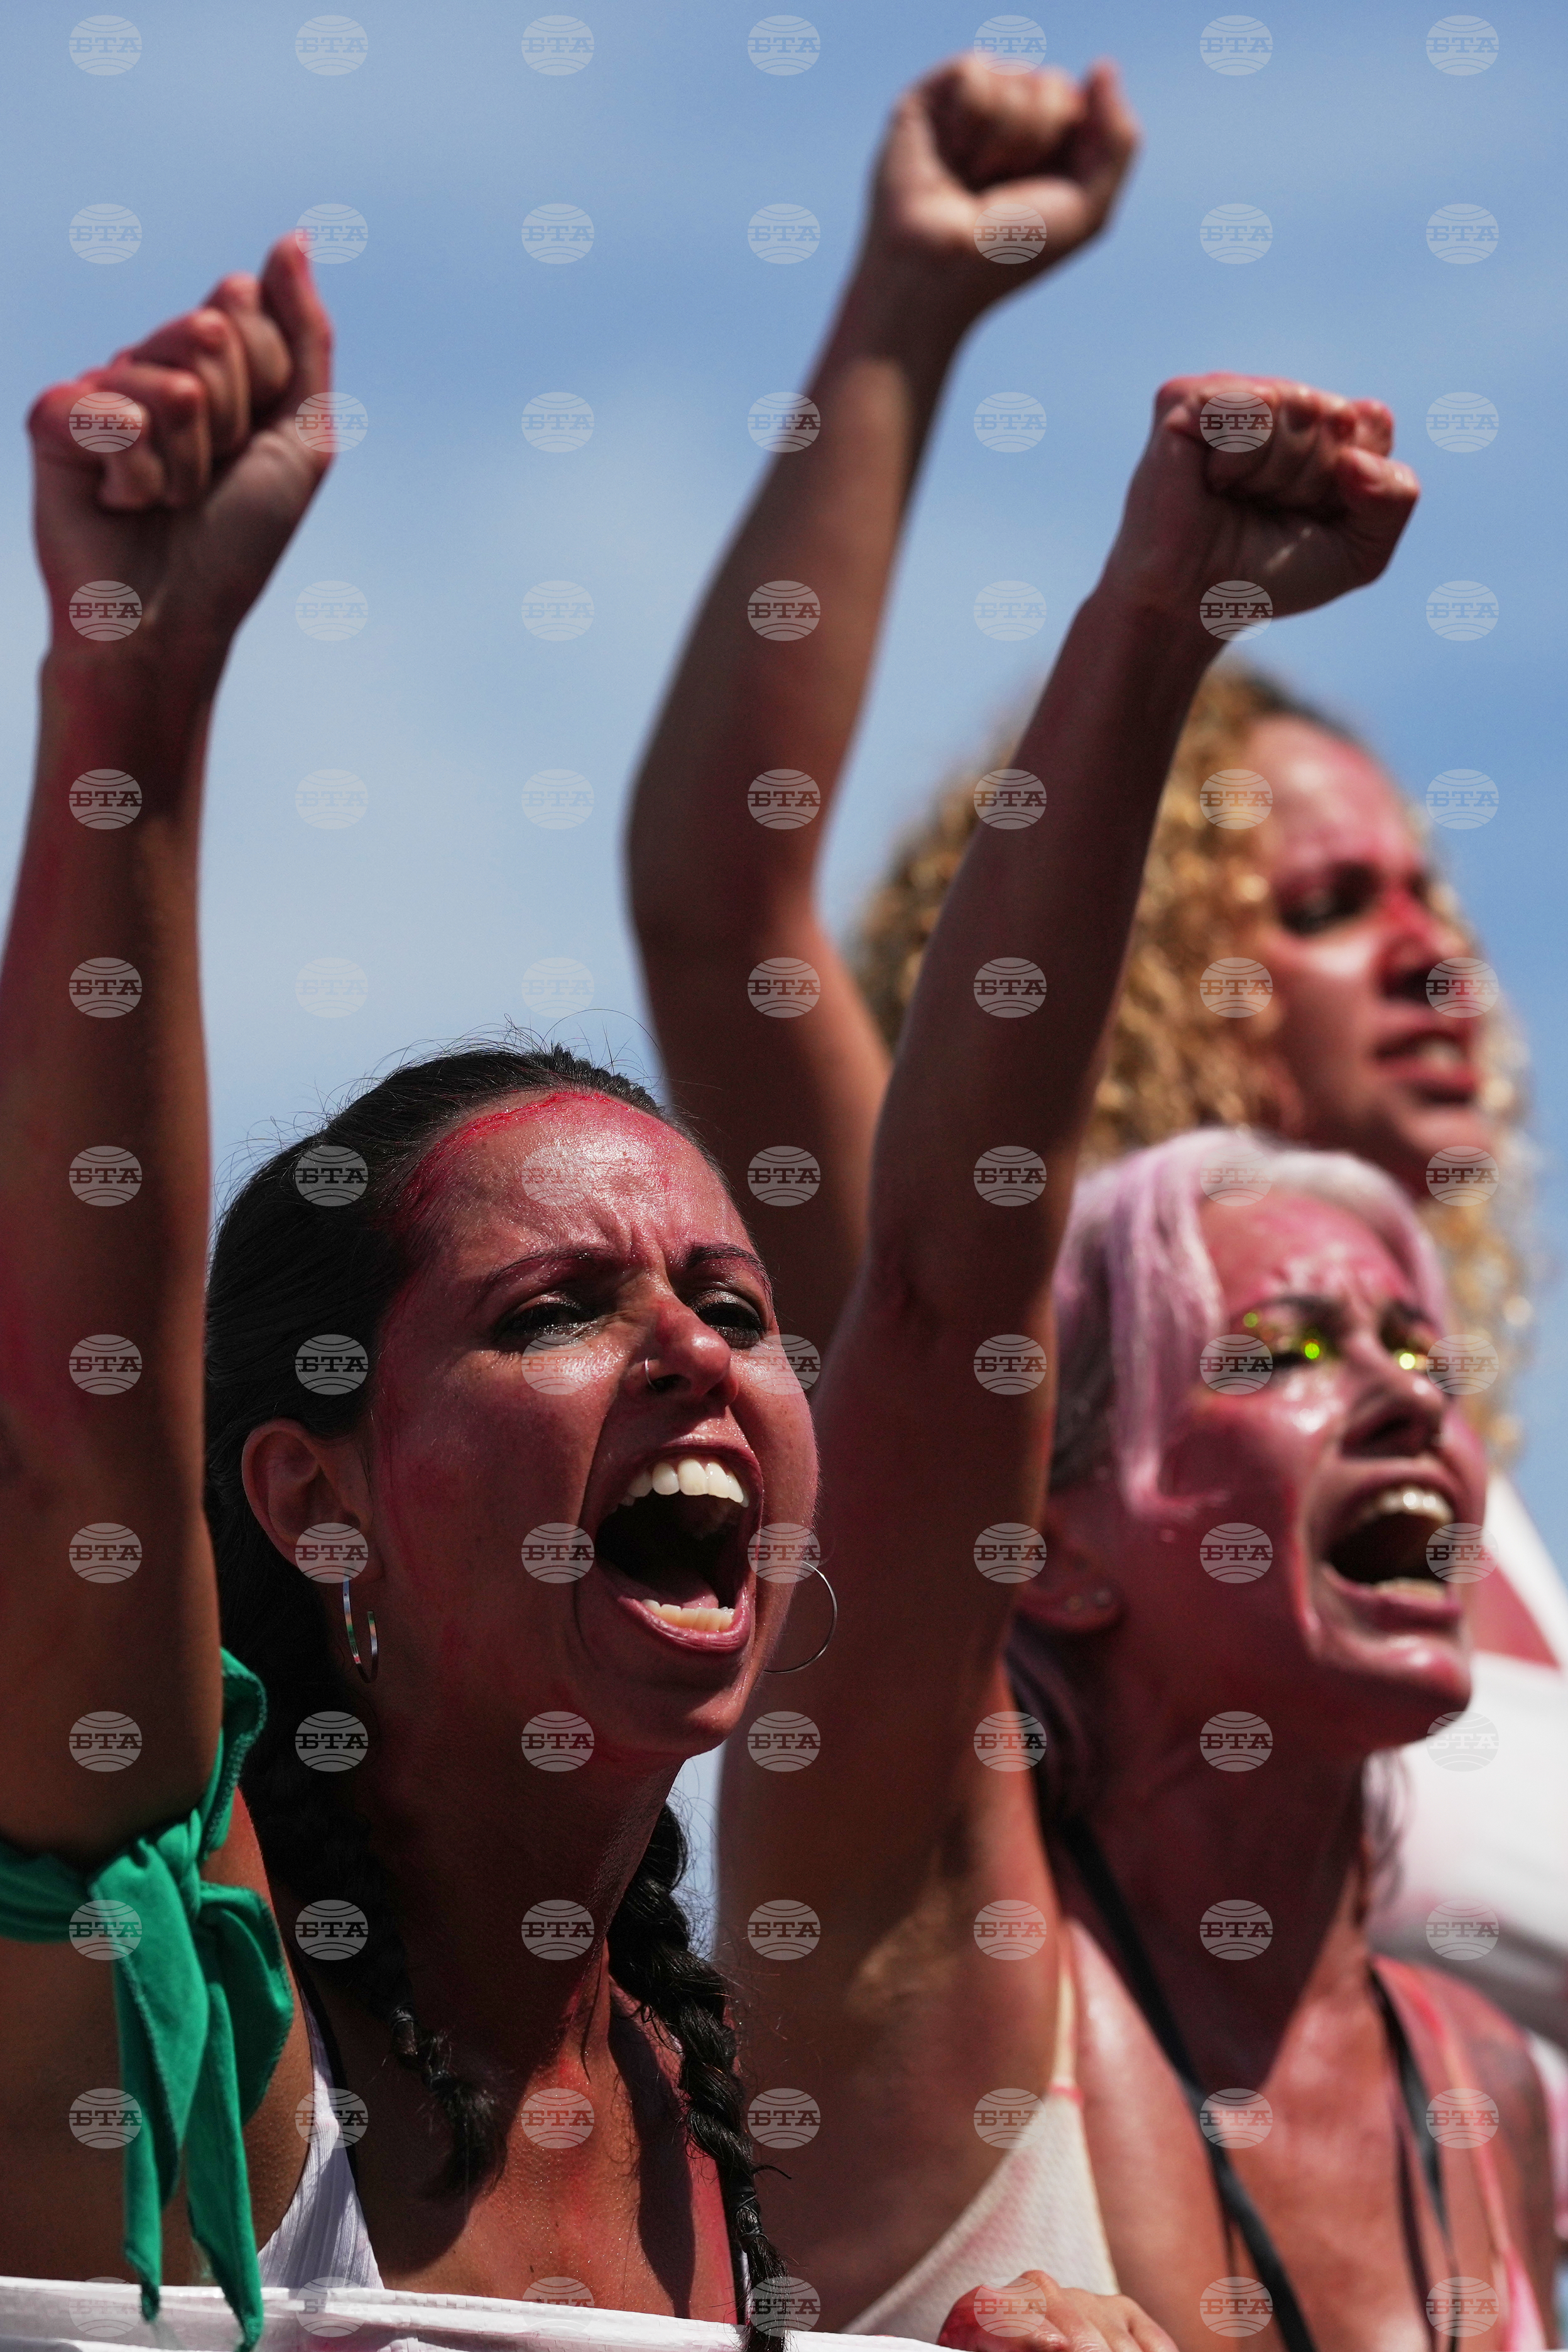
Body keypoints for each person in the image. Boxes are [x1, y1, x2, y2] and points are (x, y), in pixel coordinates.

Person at [0, 240, 1165, 2352]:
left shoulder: (754, 2128)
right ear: (312, 1495)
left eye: (734, 1300)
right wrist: (129, 705)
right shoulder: (186, 2009)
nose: (699, 1349)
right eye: (554, 1307)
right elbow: (73, 1431)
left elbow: (936, 1295)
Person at [626, 55, 1567, 2076]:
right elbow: (723, 897)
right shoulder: (1022, 1356)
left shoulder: (1469, 1507)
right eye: (1326, 906)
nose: (1435, 954)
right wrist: (909, 309)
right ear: (1137, 963)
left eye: (1432, 892)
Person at [720, 1131, 1557, 2349]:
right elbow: (919, 1302)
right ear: (1051, 1551)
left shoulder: (1486, 2084)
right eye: (1286, 1350)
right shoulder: (942, 1958)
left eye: (1426, 1354)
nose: (1411, 1395)